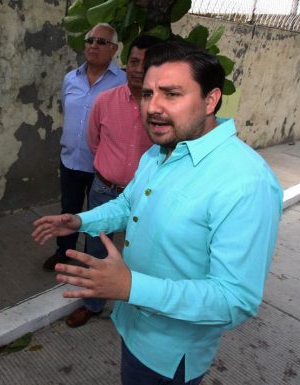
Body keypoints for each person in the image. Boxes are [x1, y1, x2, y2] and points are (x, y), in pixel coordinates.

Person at [32, 40, 282, 385]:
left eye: (172, 94)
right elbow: (128, 205)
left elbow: (234, 299)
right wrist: (80, 221)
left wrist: (131, 286)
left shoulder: (246, 182)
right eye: (148, 94)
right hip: (133, 325)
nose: (153, 107)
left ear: (210, 100)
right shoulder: (161, 151)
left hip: (170, 356)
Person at [64, 34, 163, 328]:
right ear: (125, 62)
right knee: (95, 250)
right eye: (133, 62)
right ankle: (92, 304)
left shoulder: (161, 109)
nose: (137, 69)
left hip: (148, 196)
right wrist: (111, 168)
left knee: (142, 252)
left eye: (145, 64)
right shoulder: (105, 101)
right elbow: (94, 140)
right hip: (104, 190)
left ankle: (138, 307)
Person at [43, 22, 126, 272]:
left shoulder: (122, 83)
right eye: (90, 40)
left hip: (101, 166)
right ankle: (63, 252)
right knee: (68, 210)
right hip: (70, 160)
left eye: (101, 42)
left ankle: (95, 265)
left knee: (98, 218)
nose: (93, 46)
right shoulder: (71, 78)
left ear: (114, 49)